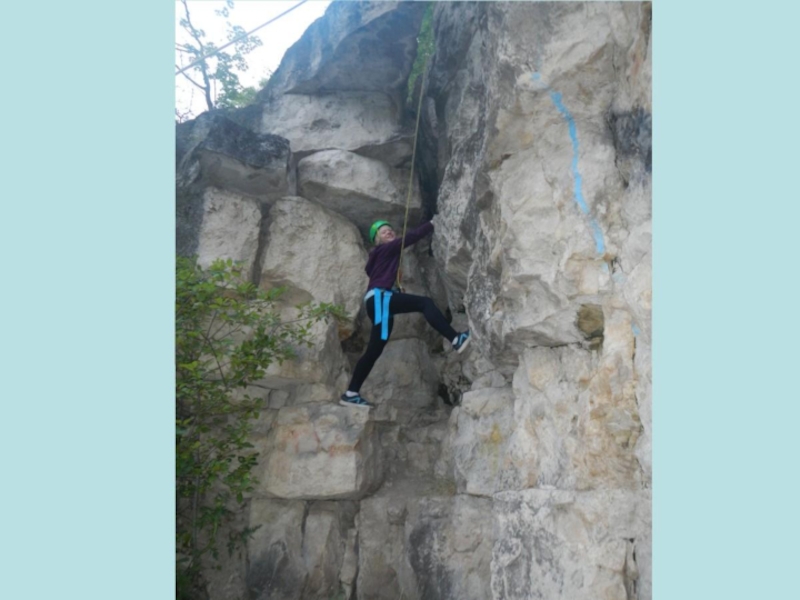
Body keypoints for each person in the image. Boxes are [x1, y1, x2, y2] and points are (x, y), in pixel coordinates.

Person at [339, 219, 470, 409]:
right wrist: (432, 223)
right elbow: (411, 237)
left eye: (390, 229)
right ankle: (456, 339)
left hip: (380, 301)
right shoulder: (385, 249)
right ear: (377, 239)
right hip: (380, 298)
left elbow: (377, 273)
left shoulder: (380, 256)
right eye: (384, 232)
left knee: (374, 350)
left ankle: (351, 393)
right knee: (424, 303)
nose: (389, 232)